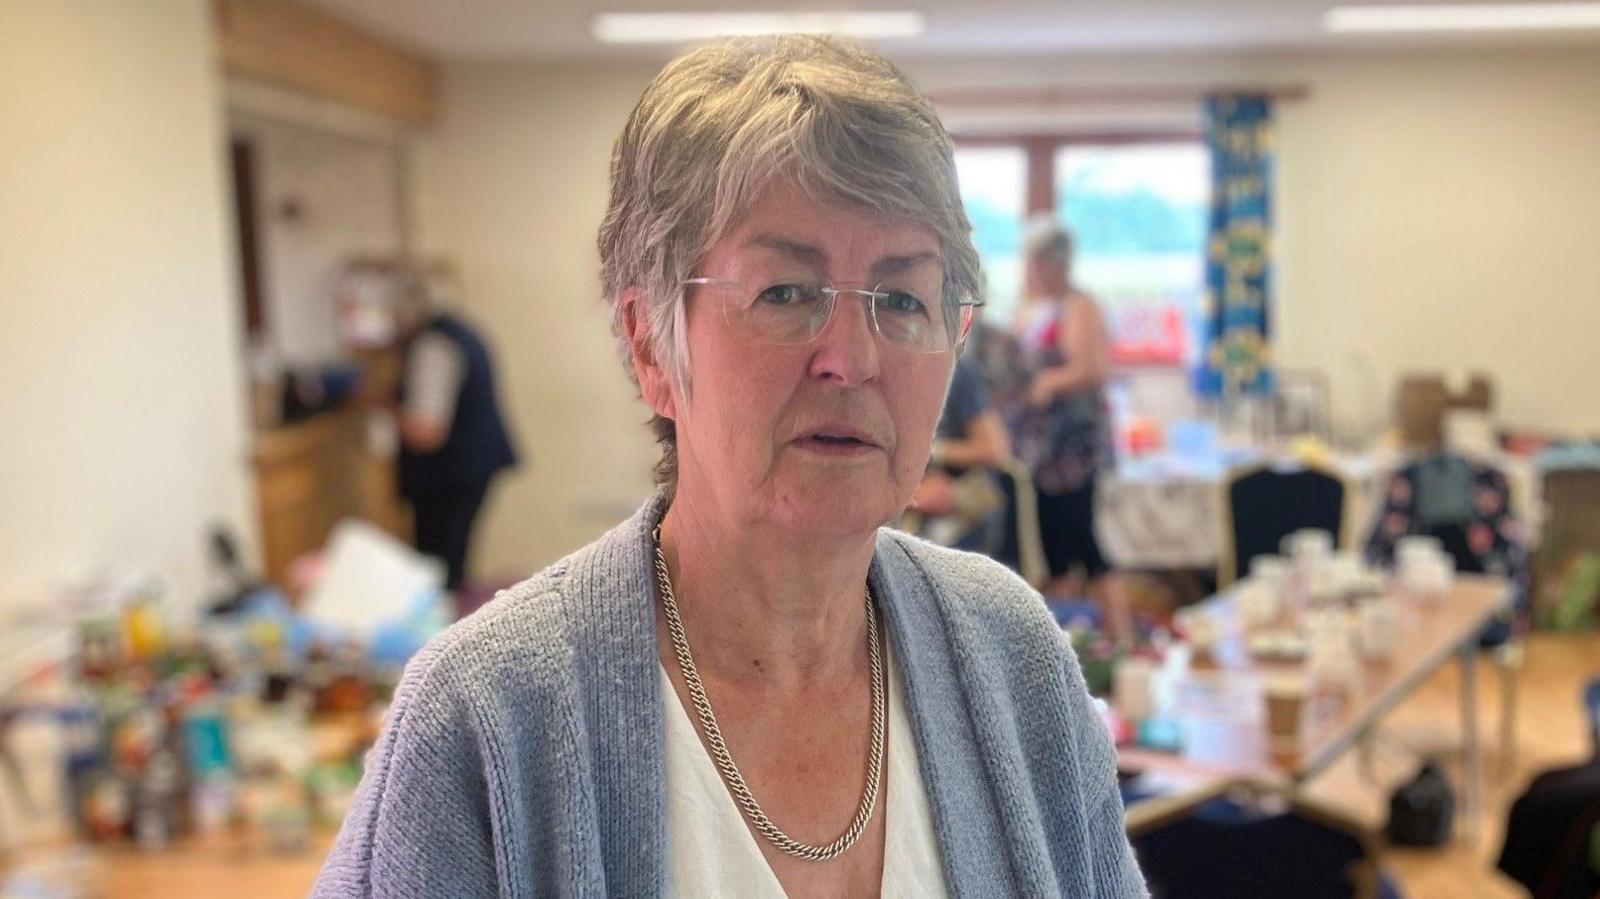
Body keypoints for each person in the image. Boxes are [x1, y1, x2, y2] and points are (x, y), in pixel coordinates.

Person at [314, 36, 1145, 898]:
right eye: (785, 292)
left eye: (902, 297)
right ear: (650, 345)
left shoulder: (1013, 656)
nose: (851, 357)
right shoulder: (488, 717)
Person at [1013, 220, 1132, 641]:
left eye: (1033, 261)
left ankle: (1123, 643)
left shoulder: (1080, 306)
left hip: (1072, 451)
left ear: (1051, 263)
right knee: (1056, 551)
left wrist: (1046, 384)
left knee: (1085, 543)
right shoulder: (1035, 307)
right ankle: (1067, 643)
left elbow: (1092, 369)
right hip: (1042, 450)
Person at [392, 268, 518, 591]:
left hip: (449, 476)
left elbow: (426, 431)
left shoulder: (433, 345)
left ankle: (444, 637)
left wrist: (387, 410)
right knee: (454, 561)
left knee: (439, 569)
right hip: (472, 467)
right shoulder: (464, 332)